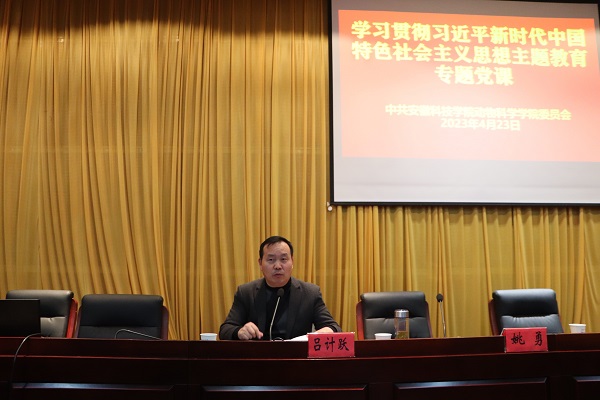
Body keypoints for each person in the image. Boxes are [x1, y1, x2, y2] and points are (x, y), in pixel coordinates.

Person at [219, 235, 341, 340]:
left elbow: (334, 328)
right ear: (260, 263)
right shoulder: (246, 292)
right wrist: (239, 332)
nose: (278, 266)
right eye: (271, 260)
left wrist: (326, 331)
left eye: (283, 259)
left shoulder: (310, 293)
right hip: (258, 357)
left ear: (292, 261)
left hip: (296, 357)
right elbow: (225, 330)